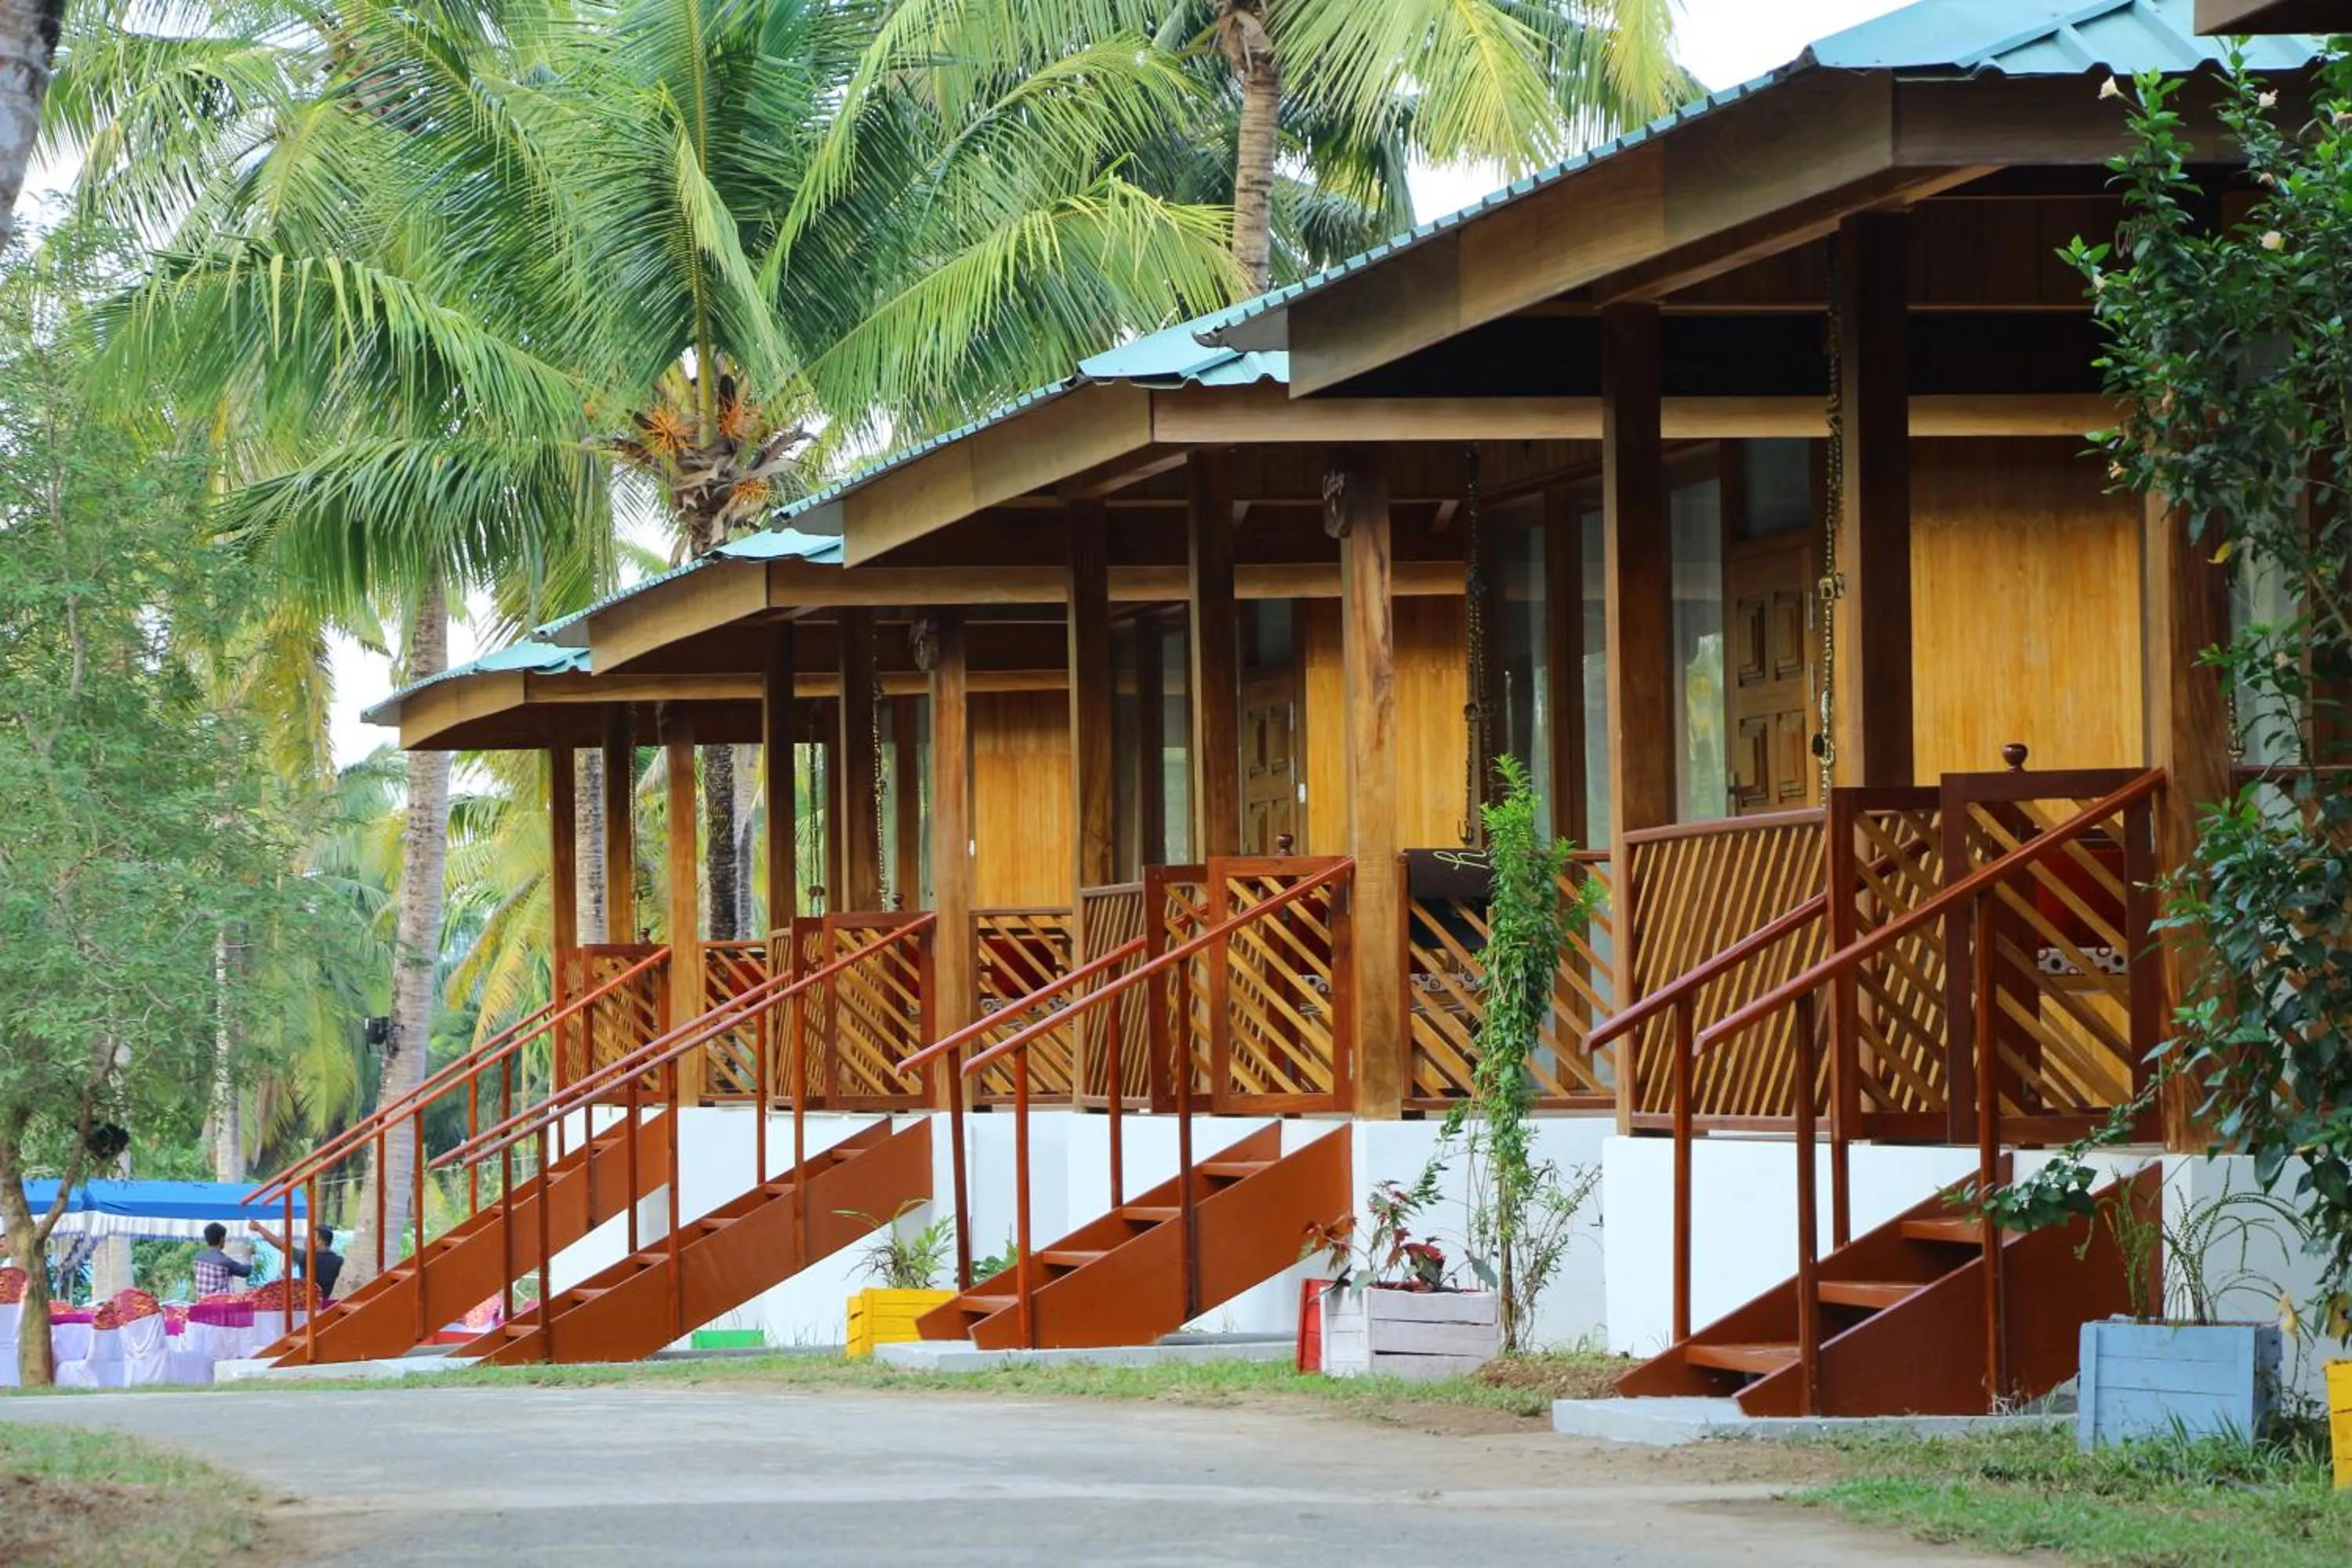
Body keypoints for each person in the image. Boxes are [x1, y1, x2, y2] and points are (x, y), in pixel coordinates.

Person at [191, 1222, 253, 1298]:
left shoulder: (197, 1258)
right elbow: (246, 1272)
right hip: (221, 1303)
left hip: (202, 1301)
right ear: (222, 1239)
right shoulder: (225, 1262)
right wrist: (248, 1256)